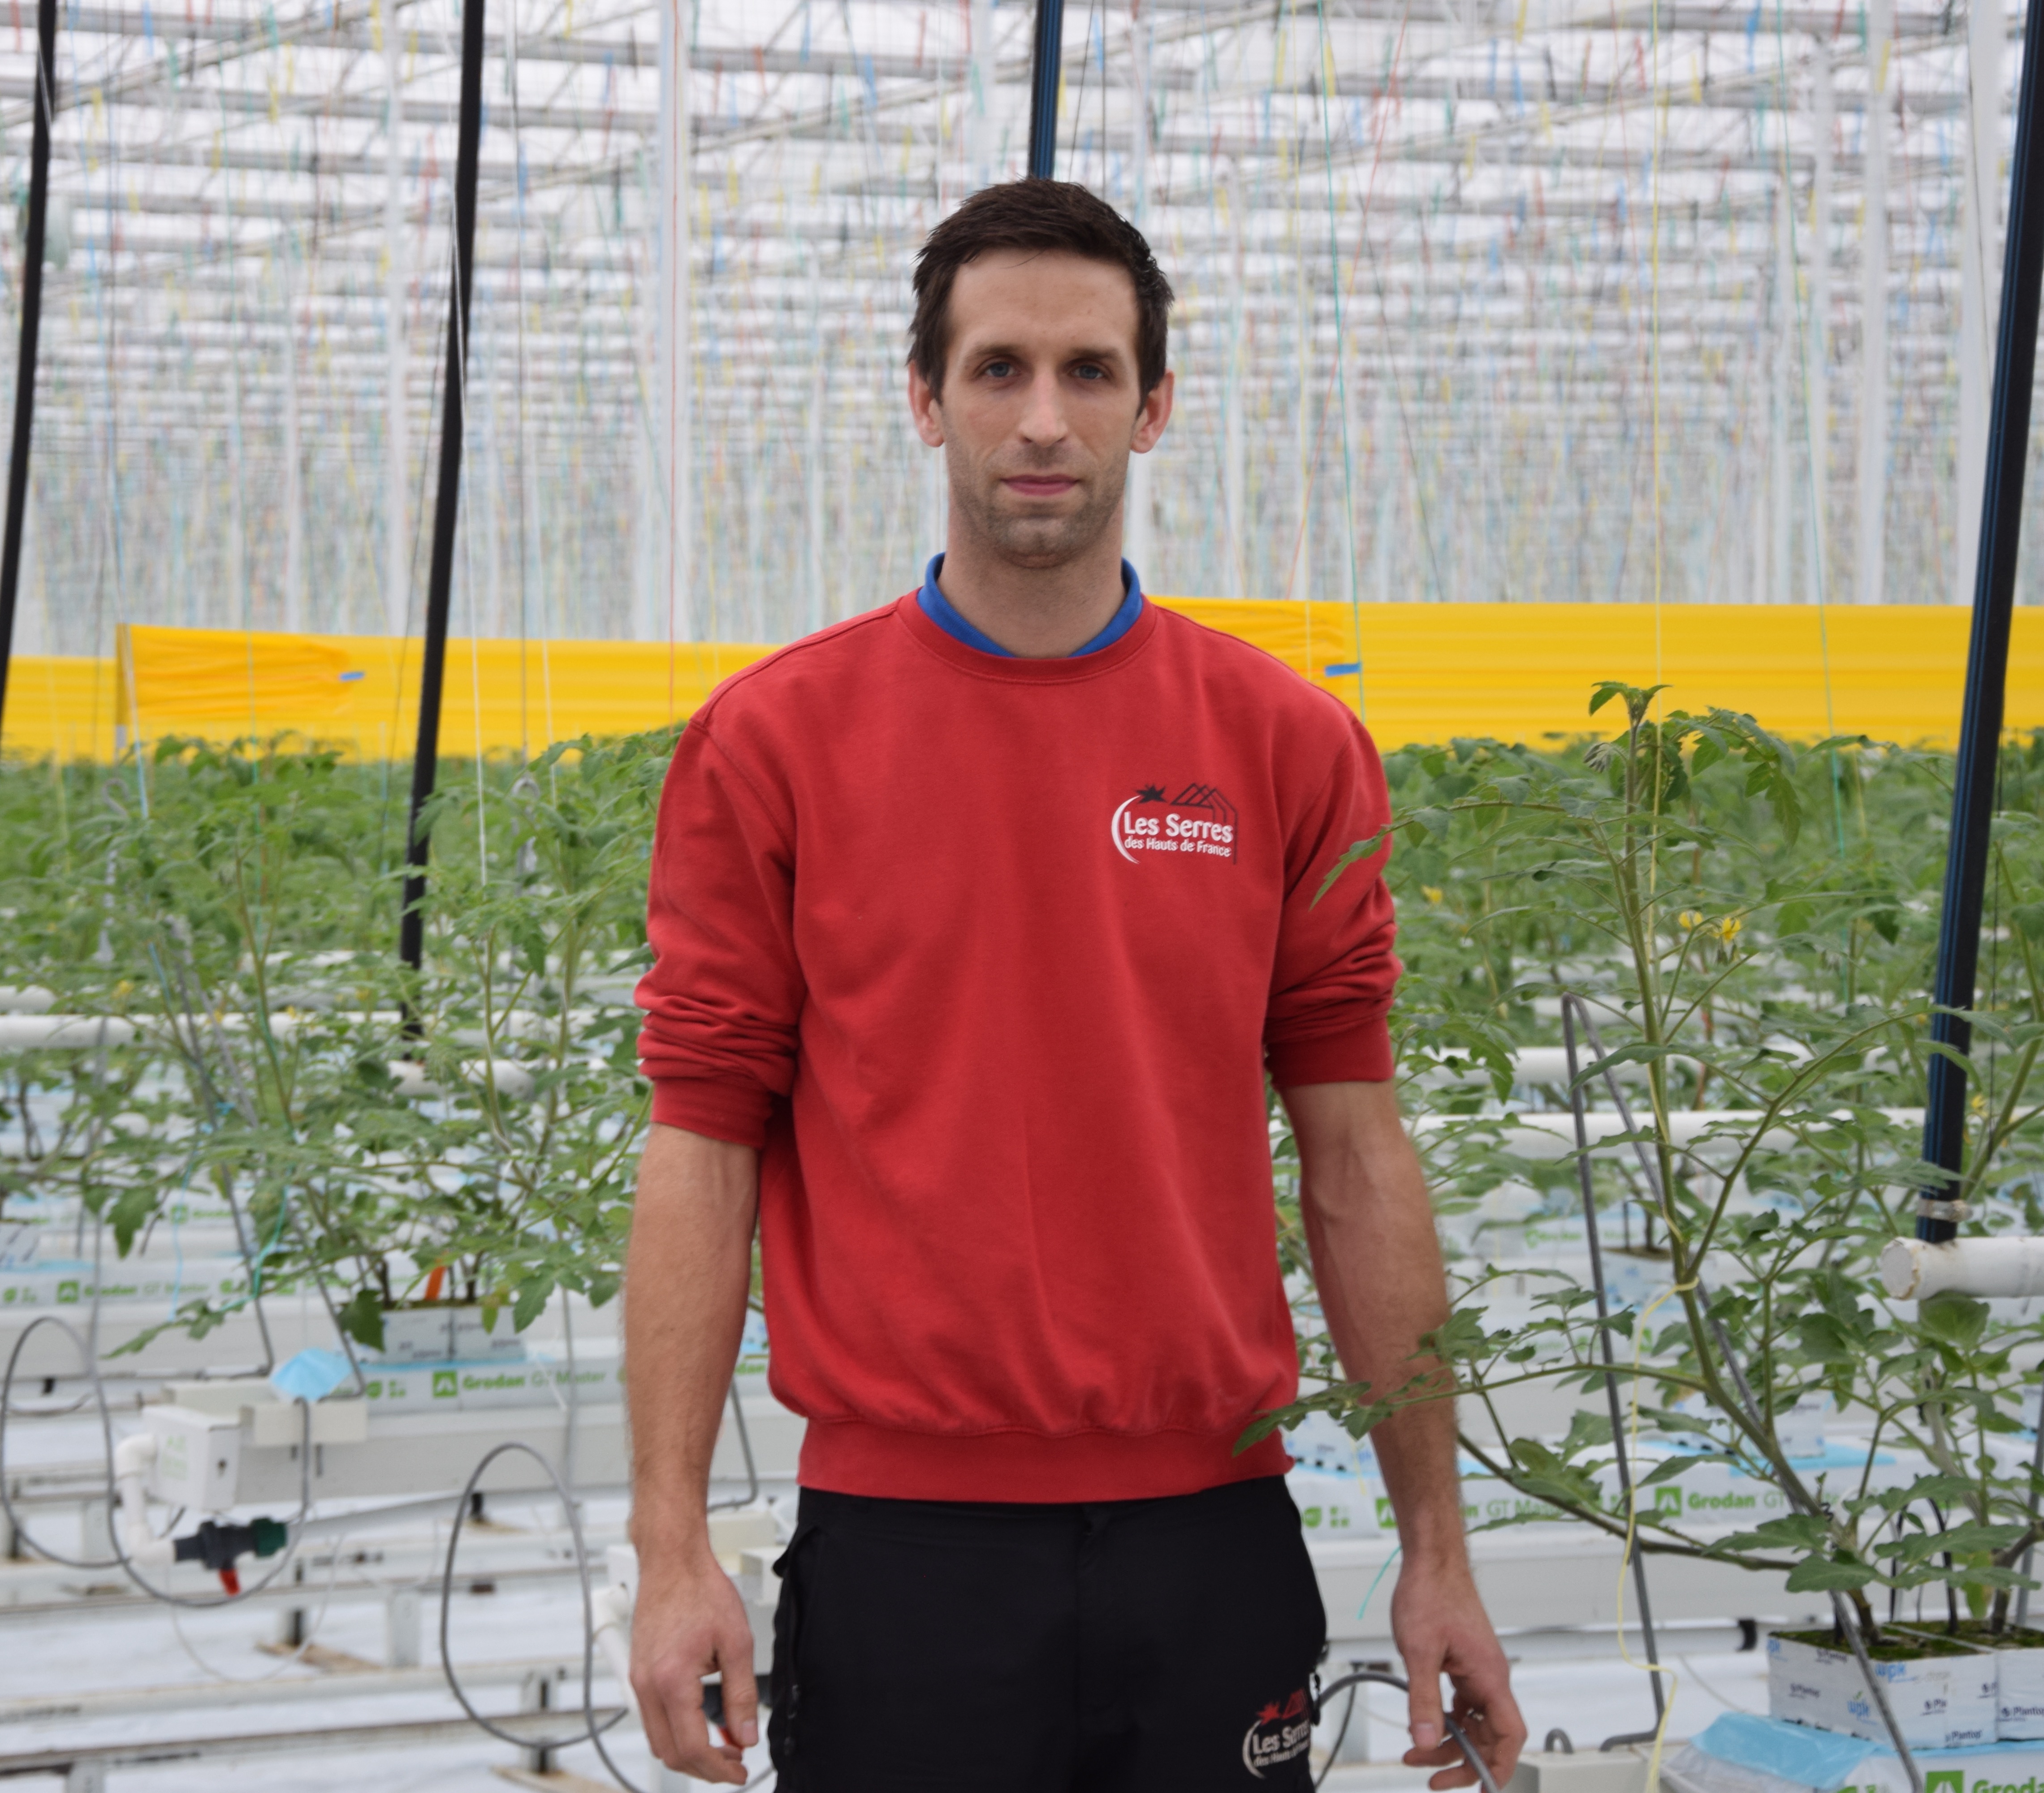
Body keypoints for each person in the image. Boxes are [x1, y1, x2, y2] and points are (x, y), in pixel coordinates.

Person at [622, 178, 1520, 1792]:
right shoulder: (776, 742)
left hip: (1214, 1535)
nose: (1045, 419)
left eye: (1091, 372)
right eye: (999, 369)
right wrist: (670, 1547)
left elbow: (1358, 1157)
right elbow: (702, 1147)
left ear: (1154, 408)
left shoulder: (1284, 745)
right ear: (927, 400)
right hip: (905, 1544)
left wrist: (1438, 1544)